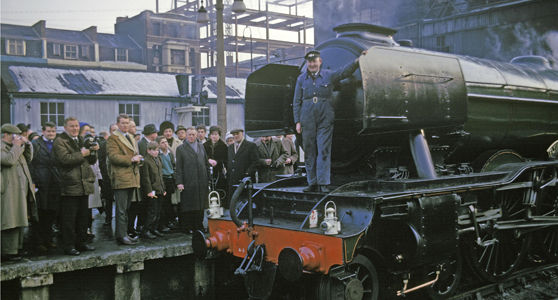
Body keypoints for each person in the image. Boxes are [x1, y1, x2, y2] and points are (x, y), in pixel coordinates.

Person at [293, 49, 367, 193]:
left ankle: (323, 183)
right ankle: (312, 183)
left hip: (325, 116)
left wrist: (357, 62)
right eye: (309, 62)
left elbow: (344, 72)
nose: (312, 64)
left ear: (320, 62)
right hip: (306, 117)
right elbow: (296, 102)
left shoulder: (328, 75)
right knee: (309, 151)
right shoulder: (301, 79)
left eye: (314, 61)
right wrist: (297, 121)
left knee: (324, 150)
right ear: (307, 63)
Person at [53, 117, 98, 255]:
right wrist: (82, 153)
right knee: (69, 219)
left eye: (77, 126)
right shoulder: (60, 141)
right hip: (70, 185)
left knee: (82, 217)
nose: (75, 128)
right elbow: (64, 160)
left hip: (84, 184)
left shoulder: (80, 140)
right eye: (72, 126)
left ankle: (81, 242)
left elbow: (91, 161)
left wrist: (94, 151)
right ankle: (69, 245)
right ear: (65, 127)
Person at [1, 124, 37, 261]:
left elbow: (28, 158)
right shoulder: (2, 147)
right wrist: (17, 146)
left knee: (20, 218)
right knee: (10, 220)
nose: (18, 138)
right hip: (8, 191)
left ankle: (17, 248)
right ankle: (7, 251)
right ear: (6, 135)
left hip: (19, 189)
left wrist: (26, 145)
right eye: (15, 135)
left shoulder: (14, 147)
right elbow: (8, 160)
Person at [107, 114, 143, 245]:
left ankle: (125, 234)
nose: (126, 125)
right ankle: (121, 236)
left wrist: (137, 159)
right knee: (121, 209)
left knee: (126, 209)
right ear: (118, 124)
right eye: (123, 123)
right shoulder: (113, 138)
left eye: (127, 123)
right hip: (121, 178)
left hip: (131, 177)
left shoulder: (130, 137)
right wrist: (132, 159)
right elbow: (113, 157)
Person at [28, 122, 61, 253]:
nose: (51, 133)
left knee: (51, 212)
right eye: (49, 131)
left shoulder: (57, 144)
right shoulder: (35, 145)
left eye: (53, 131)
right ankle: (38, 242)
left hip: (54, 182)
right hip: (41, 182)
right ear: (43, 131)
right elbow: (31, 163)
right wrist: (33, 181)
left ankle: (49, 240)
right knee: (39, 212)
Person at [175, 127, 210, 234]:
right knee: (188, 205)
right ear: (186, 135)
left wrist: (207, 179)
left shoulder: (201, 146)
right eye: (189, 134)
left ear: (196, 136)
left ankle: (198, 226)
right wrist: (179, 182)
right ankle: (188, 227)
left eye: (193, 134)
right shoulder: (181, 148)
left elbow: (206, 163)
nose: (191, 136)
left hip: (201, 181)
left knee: (200, 205)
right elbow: (178, 167)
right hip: (188, 180)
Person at [139, 141, 167, 239]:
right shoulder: (146, 161)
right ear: (148, 151)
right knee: (152, 211)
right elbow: (145, 178)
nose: (156, 152)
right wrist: (149, 191)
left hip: (159, 189)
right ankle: (147, 230)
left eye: (157, 150)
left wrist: (163, 188)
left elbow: (160, 176)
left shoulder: (158, 160)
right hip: (153, 190)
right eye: (153, 150)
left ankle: (154, 228)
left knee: (158, 210)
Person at [227, 128, 259, 199]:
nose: (236, 136)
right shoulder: (230, 147)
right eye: (234, 135)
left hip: (245, 180)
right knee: (234, 202)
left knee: (245, 203)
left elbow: (256, 162)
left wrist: (247, 173)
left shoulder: (250, 145)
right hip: (233, 180)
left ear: (242, 134)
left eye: (237, 134)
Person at [203, 126, 229, 208]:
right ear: (209, 135)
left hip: (218, 171)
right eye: (212, 134)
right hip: (207, 170)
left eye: (216, 134)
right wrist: (208, 160)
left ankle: (221, 205)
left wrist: (217, 162)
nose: (214, 136)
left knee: (220, 188)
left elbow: (225, 159)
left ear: (219, 135)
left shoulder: (224, 146)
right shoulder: (204, 145)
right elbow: (202, 156)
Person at [156, 136, 176, 232]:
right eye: (163, 142)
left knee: (169, 203)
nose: (165, 144)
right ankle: (162, 224)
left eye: (166, 142)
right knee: (162, 203)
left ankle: (168, 222)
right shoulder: (158, 155)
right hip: (162, 179)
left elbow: (173, 165)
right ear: (159, 145)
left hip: (170, 179)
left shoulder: (170, 153)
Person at [98, 126, 114, 227]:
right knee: (109, 199)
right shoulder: (103, 144)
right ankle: (108, 218)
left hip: (121, 177)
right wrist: (106, 174)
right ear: (110, 132)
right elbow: (101, 160)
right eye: (114, 131)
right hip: (108, 176)